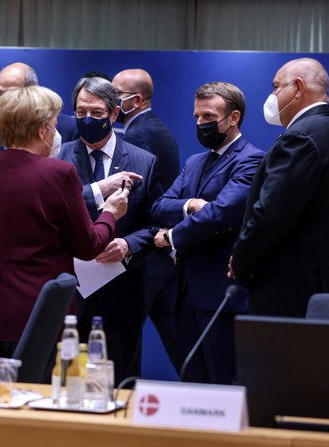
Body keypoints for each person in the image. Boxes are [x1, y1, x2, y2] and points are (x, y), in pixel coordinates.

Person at [0, 86, 130, 379]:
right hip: (35, 316)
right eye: (54, 125)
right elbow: (88, 245)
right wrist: (110, 214)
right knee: (33, 404)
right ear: (42, 130)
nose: (56, 133)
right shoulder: (58, 174)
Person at [151, 82, 263, 384]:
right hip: (184, 291)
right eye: (197, 117)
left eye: (209, 117)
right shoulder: (194, 162)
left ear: (233, 117)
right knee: (192, 381)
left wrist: (172, 237)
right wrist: (189, 205)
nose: (201, 124)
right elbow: (160, 207)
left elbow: (222, 213)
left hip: (220, 291)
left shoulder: (251, 159)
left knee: (223, 381)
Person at [230, 57, 329, 317]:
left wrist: (241, 261)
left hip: (293, 286)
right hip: (320, 280)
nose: (273, 95)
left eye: (277, 87)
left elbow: (270, 213)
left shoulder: (302, 136)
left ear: (298, 88)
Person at [59, 76, 163, 383]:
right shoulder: (59, 158)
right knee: (69, 380)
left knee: (121, 380)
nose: (87, 119)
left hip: (123, 287)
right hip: (72, 291)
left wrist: (129, 245)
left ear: (114, 114)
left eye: (96, 113)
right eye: (80, 112)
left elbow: (156, 221)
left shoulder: (144, 161)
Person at [111, 68, 182, 372]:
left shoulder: (137, 135)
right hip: (164, 255)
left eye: (115, 96)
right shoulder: (161, 129)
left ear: (136, 100)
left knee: (123, 343)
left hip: (144, 253)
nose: (111, 102)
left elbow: (136, 195)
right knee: (180, 341)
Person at [0, 62, 77, 155]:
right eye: (0, 94)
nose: (4, 101)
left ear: (33, 91)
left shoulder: (69, 129)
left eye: (13, 94)